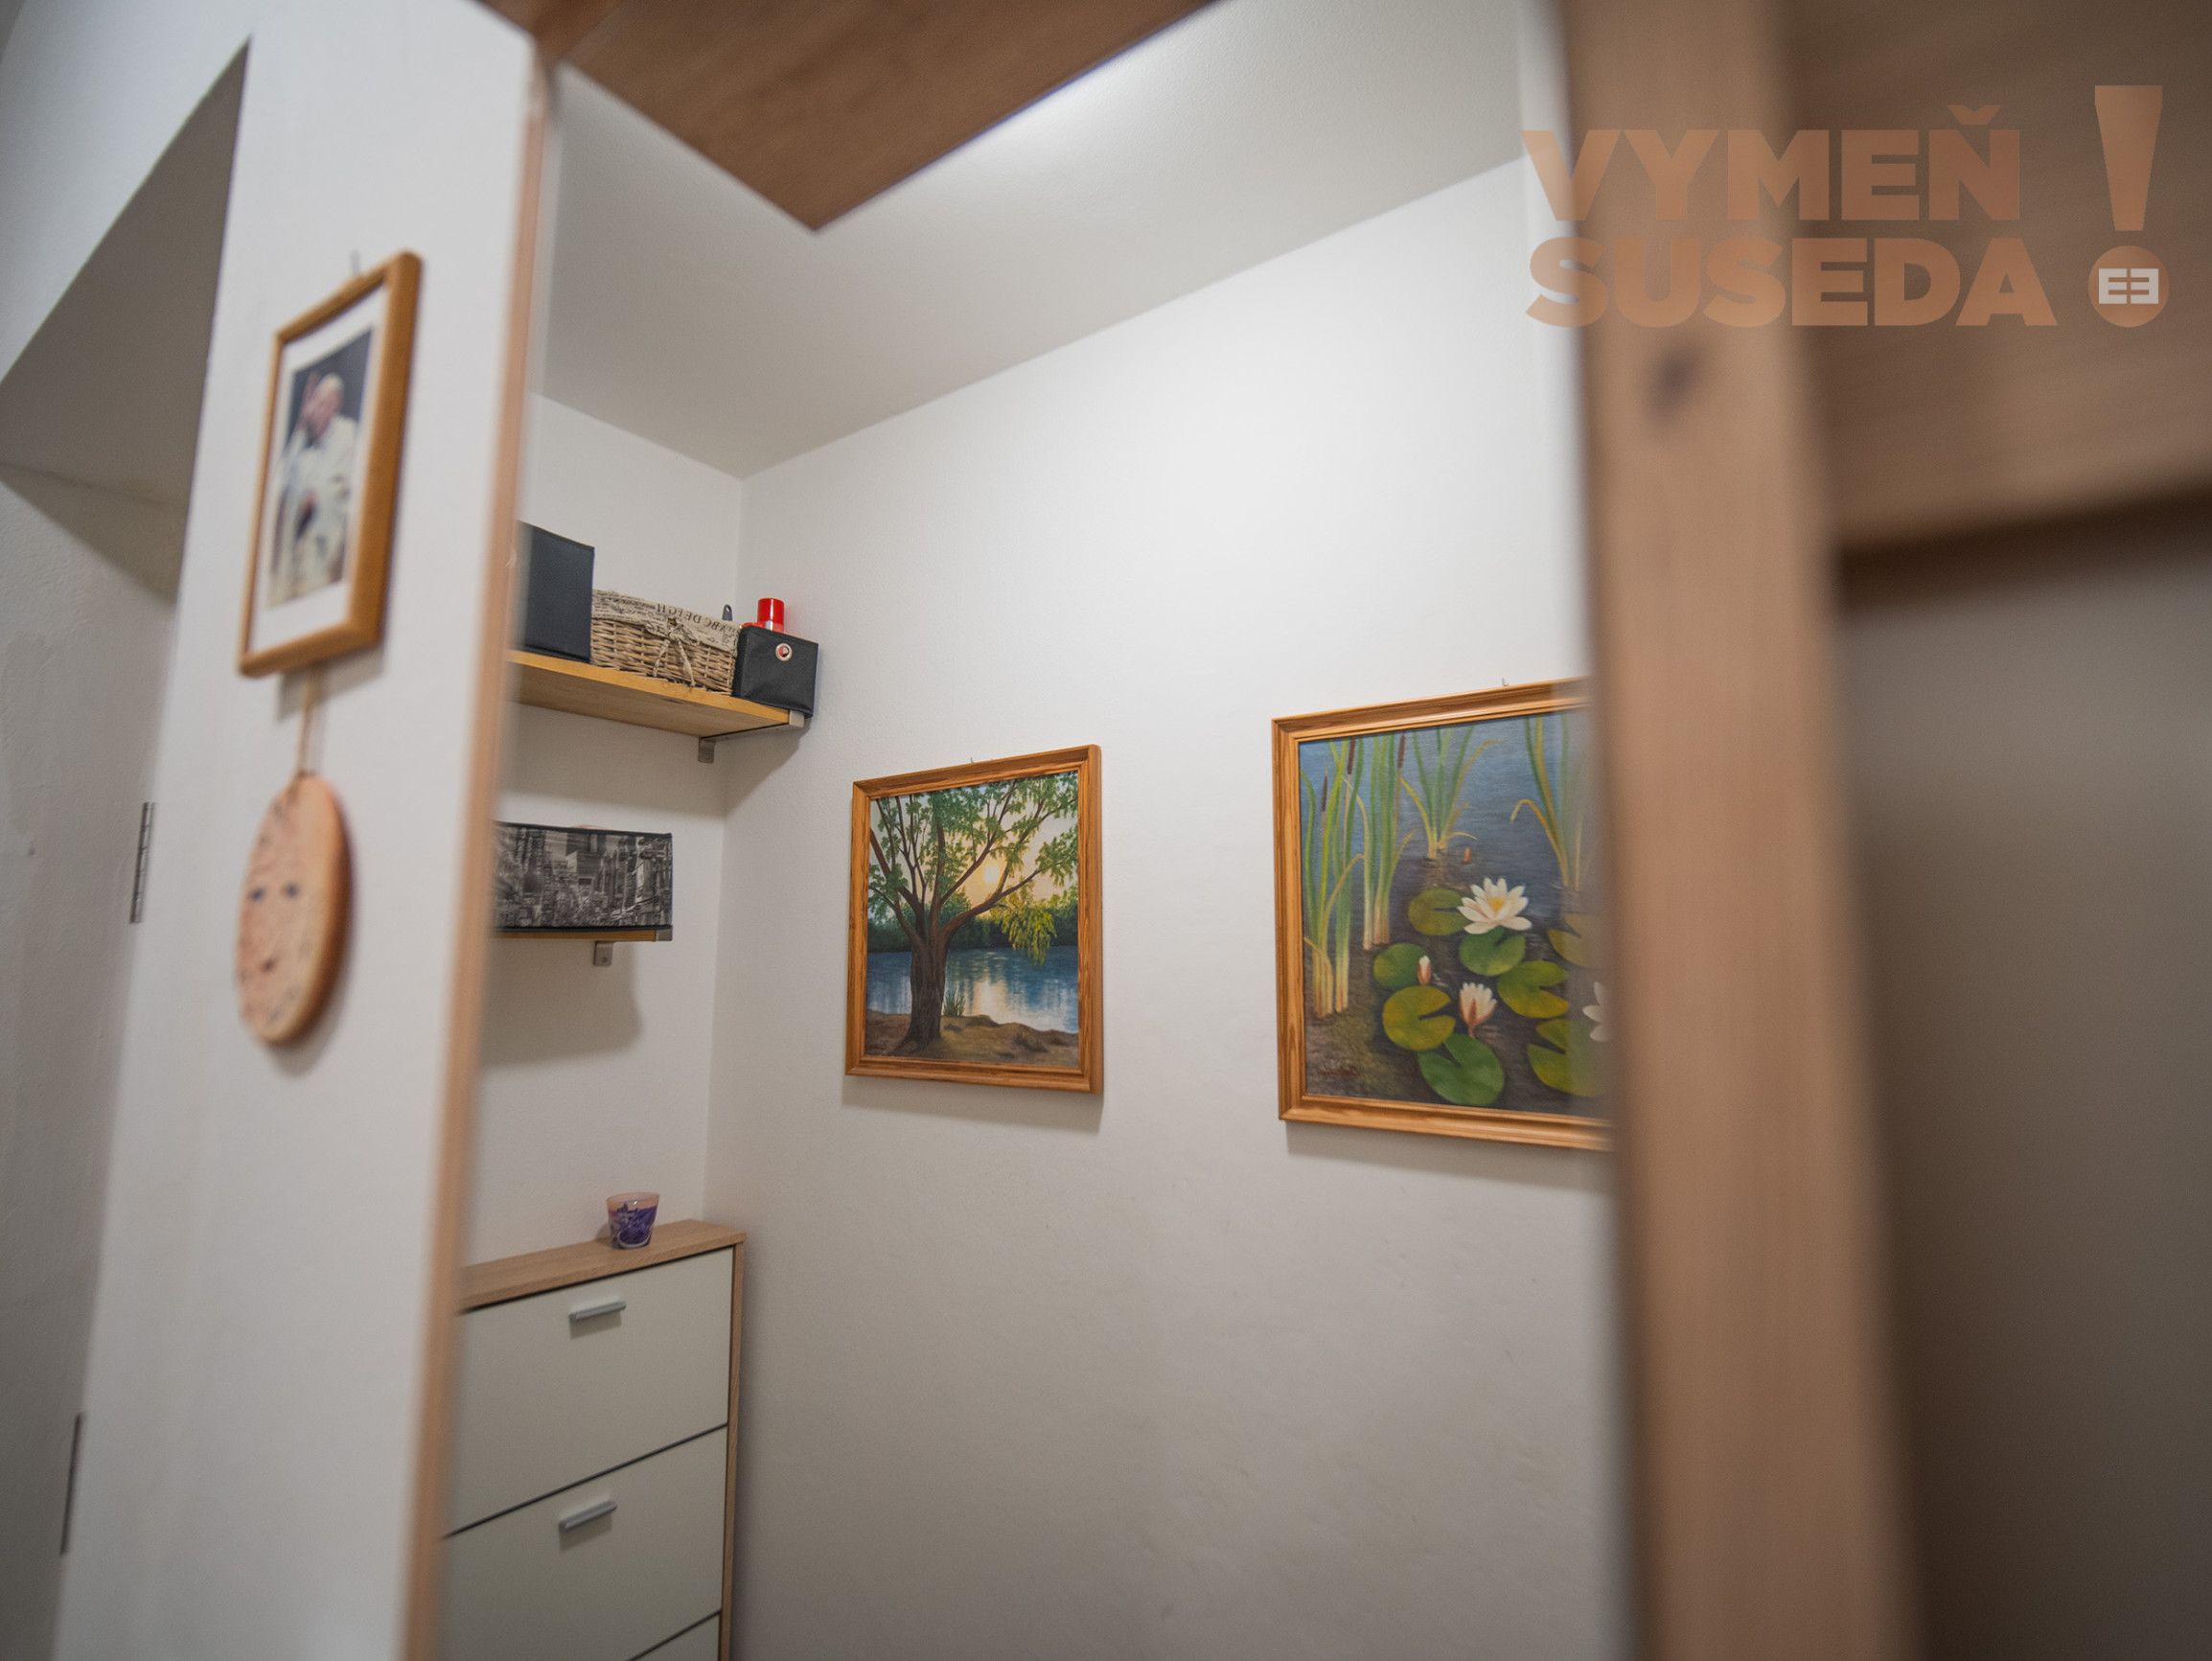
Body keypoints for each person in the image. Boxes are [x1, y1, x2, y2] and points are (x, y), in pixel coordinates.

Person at [266, 369, 357, 604]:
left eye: (326, 404)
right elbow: (283, 481)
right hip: (303, 548)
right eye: (316, 403)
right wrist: (301, 424)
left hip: (327, 545)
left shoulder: (346, 434)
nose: (319, 410)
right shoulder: (309, 453)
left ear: (336, 407)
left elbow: (343, 485)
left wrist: (318, 497)